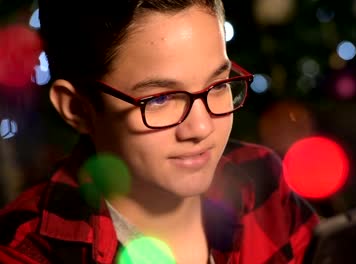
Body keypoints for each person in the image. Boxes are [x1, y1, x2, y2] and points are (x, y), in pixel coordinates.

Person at [0, 0, 319, 263]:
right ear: (77, 109)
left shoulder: (261, 179)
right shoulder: (23, 252)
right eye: (160, 99)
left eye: (219, 84)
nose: (202, 127)